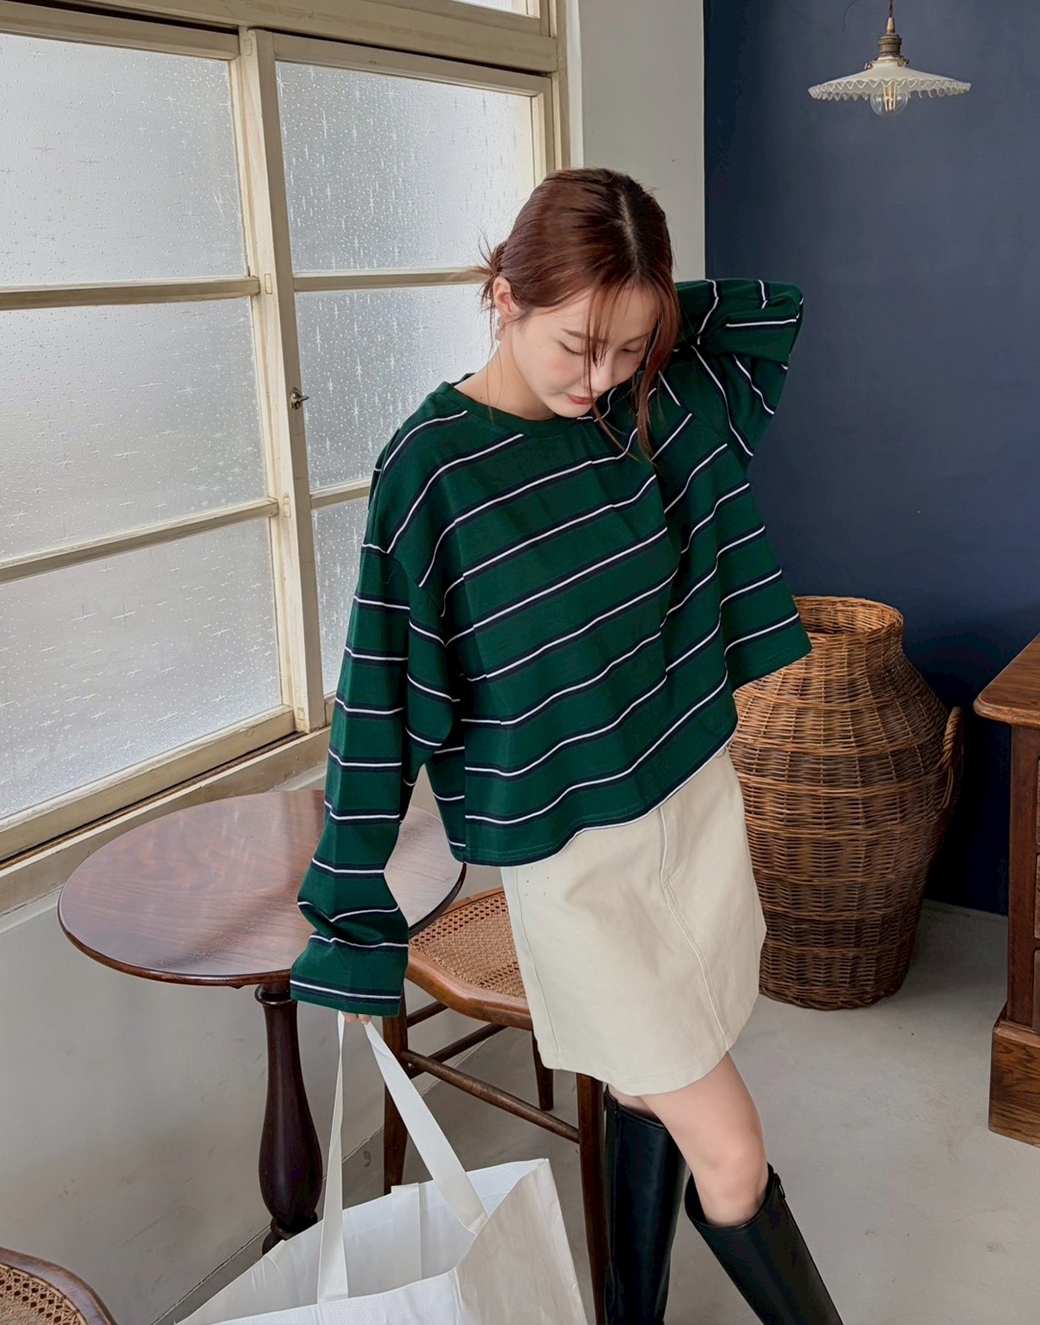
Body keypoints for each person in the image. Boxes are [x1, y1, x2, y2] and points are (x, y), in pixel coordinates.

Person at [289, 166, 843, 1324]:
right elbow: (378, 697)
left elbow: (768, 319)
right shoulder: (430, 473)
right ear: (502, 294)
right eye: (578, 344)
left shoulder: (647, 406)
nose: (600, 378)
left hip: (691, 804)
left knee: (646, 1095)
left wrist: (637, 308)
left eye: (631, 348)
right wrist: (349, 914)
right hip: (578, 867)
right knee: (730, 1147)